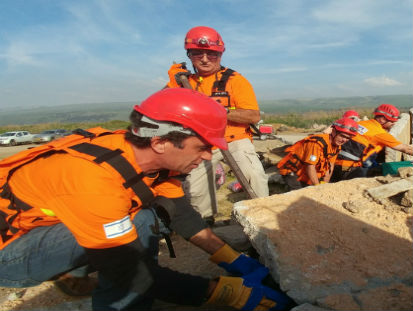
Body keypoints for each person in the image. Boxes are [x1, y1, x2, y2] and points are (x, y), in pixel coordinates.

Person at [0, 88, 293, 311]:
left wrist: (234, 260)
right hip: (11, 255)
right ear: (160, 142)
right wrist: (223, 293)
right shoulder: (92, 181)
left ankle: (75, 271)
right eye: (202, 147)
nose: (207, 157)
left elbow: (181, 214)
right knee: (140, 225)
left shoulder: (150, 160)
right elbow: (129, 270)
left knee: (156, 215)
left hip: (55, 227)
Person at [166, 26, 268, 224]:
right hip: (201, 142)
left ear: (220, 54)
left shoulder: (235, 81)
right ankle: (207, 226)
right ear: (189, 55)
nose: (204, 59)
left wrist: (220, 111)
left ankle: (262, 221)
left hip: (234, 139)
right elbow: (160, 108)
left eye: (211, 54)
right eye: (197, 53)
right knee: (196, 189)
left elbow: (253, 116)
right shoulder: (184, 82)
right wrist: (172, 84)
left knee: (255, 177)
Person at [331, 103, 413, 181]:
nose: (394, 123)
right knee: (381, 171)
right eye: (391, 121)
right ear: (382, 119)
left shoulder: (360, 123)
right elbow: (405, 149)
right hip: (349, 170)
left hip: (334, 165)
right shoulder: (380, 133)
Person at [278, 118, 359, 190]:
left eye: (348, 138)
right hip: (292, 170)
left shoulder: (336, 146)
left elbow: (330, 165)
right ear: (333, 131)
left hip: (305, 171)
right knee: (299, 194)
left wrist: (324, 184)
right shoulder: (317, 144)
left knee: (312, 190)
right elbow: (310, 166)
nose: (344, 140)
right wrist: (318, 188)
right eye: (342, 136)